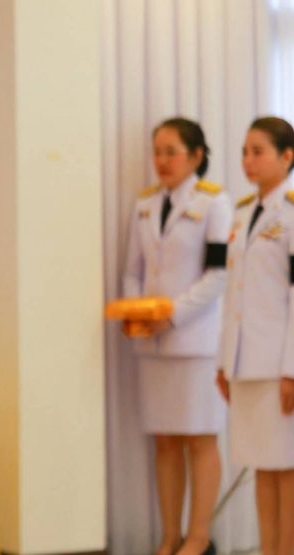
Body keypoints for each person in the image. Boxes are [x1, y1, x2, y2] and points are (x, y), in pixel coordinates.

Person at [122, 118, 230, 555]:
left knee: (200, 438)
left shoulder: (214, 202)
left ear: (196, 156)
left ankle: (198, 536)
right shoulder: (145, 204)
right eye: (157, 151)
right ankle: (170, 536)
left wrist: (170, 315)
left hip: (196, 343)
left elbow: (218, 275)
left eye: (172, 151)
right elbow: (132, 271)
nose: (162, 161)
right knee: (164, 440)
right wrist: (138, 313)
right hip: (151, 344)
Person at [217, 116, 294, 555]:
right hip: (245, 362)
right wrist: (222, 362)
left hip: (279, 363)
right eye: (244, 152)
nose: (248, 160)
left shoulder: (292, 213)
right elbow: (234, 293)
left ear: (287, 156)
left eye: (258, 151)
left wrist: (291, 370)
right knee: (262, 466)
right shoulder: (244, 212)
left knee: (288, 469)